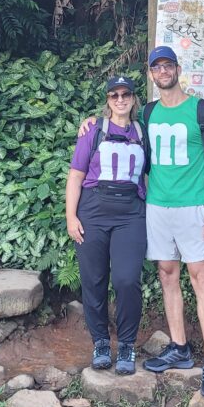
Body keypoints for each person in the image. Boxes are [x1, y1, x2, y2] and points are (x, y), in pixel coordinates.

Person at [78, 46, 204, 397]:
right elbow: (117, 120)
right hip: (157, 208)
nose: (163, 71)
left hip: (194, 206)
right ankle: (179, 347)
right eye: (156, 67)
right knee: (167, 273)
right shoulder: (147, 113)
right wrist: (88, 122)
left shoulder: (203, 111)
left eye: (168, 65)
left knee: (200, 277)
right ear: (150, 74)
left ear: (178, 69)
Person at [65, 76, 148, 375]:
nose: (121, 99)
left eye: (126, 94)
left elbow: (151, 171)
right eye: (114, 95)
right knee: (94, 280)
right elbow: (75, 175)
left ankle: (126, 344)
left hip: (130, 213)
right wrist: (71, 217)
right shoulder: (93, 130)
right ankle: (100, 341)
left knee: (127, 280)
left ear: (134, 98)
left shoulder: (143, 131)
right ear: (108, 100)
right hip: (93, 211)